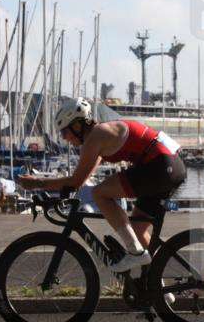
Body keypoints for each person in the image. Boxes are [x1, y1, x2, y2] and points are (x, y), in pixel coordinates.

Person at [16, 97, 186, 273]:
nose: (64, 138)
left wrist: (37, 183)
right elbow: (80, 178)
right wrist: (56, 186)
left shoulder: (95, 138)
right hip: (168, 166)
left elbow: (77, 181)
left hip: (160, 166)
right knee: (137, 229)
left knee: (99, 193)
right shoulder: (100, 135)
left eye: (64, 131)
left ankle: (135, 253)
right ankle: (158, 287)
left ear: (77, 125)